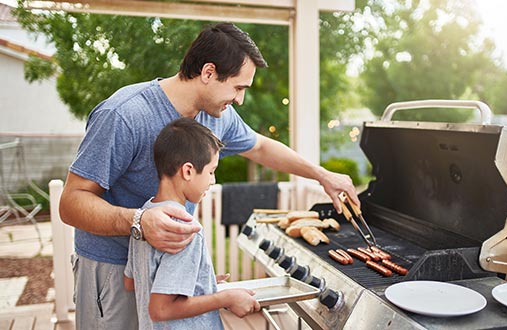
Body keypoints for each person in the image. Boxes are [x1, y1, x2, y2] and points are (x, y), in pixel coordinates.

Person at [59, 22, 359, 329]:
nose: (240, 99)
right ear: (208, 72)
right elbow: (71, 202)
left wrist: (321, 175)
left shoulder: (218, 115)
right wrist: (139, 222)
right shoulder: (125, 115)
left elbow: (260, 147)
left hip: (162, 272)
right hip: (112, 269)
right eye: (238, 87)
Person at [124, 118, 260, 329]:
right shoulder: (184, 227)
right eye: (211, 171)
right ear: (188, 171)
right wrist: (225, 298)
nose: (213, 180)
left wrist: (202, 282)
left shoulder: (145, 216)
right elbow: (161, 309)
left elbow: (132, 282)